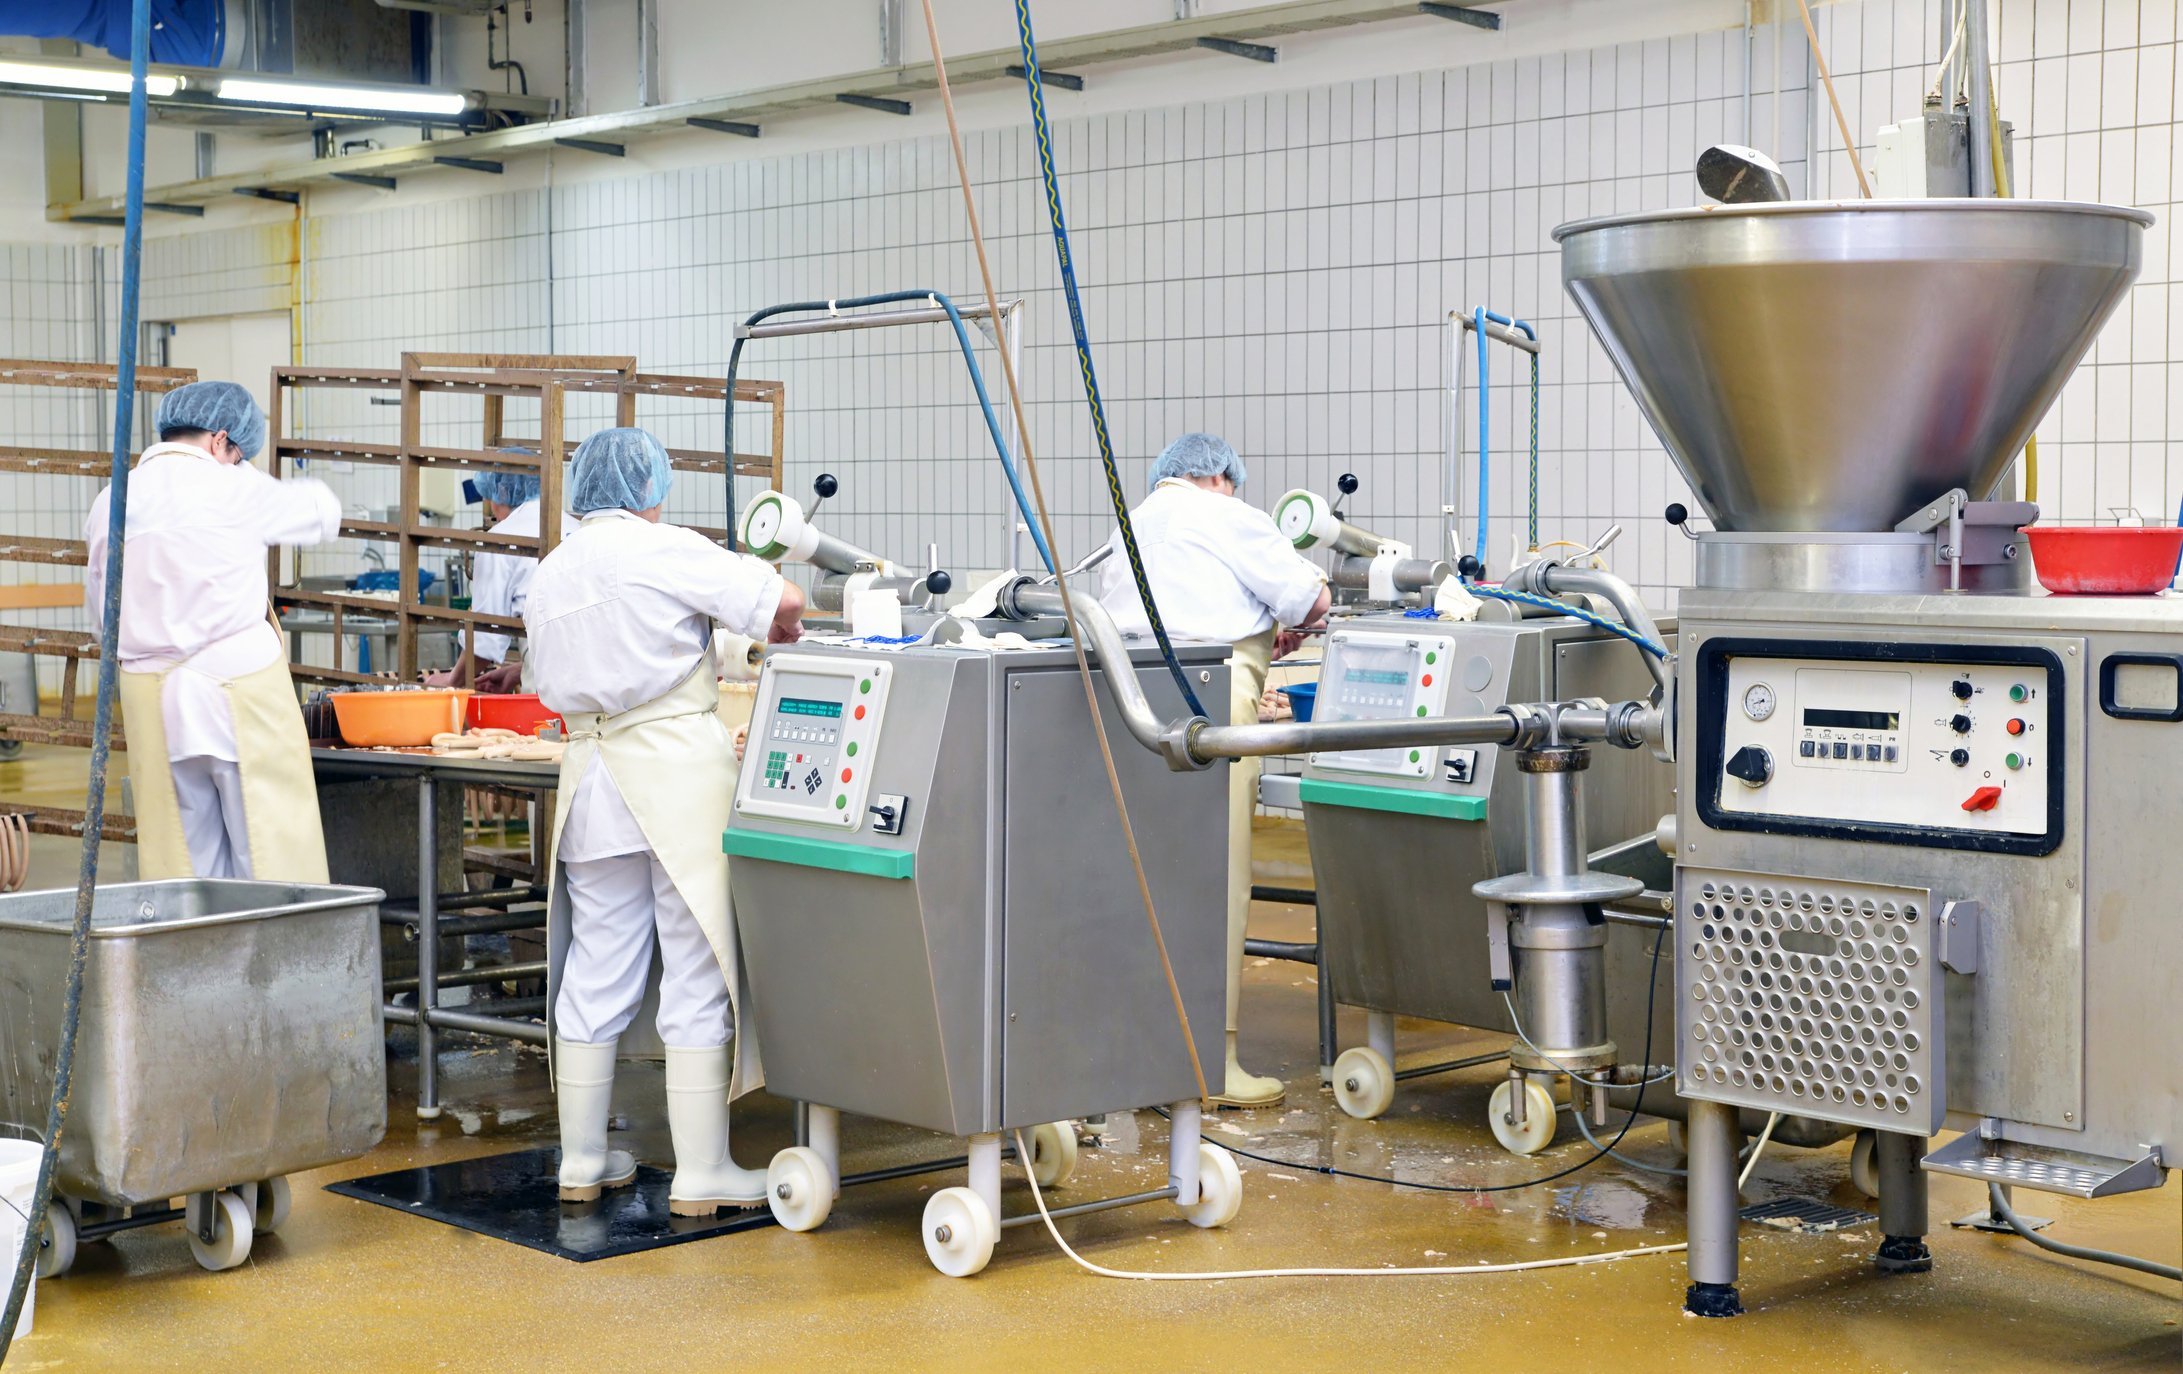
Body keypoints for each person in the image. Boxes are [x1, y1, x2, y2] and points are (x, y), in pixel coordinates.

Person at [524, 426, 806, 1212]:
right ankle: (703, 1171)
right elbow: (781, 600)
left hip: (590, 781)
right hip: (674, 778)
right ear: (649, 488)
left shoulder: (550, 572)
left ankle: (580, 1161)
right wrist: (780, 625)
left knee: (597, 963)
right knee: (694, 967)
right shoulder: (662, 547)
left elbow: (550, 677)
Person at [1095, 432, 1330, 1108]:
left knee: (1145, 879)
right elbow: (1310, 602)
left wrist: (1260, 620)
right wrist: (1296, 618)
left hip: (1133, 707)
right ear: (1220, 476)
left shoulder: (1130, 524)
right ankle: (1209, 1063)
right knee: (1214, 874)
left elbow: (1181, 605)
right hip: (1210, 702)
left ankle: (1136, 1052)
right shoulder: (1227, 514)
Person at [85, 380, 340, 882]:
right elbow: (321, 512)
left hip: (150, 695)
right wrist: (252, 480)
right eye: (238, 452)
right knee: (271, 853)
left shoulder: (111, 499)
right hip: (239, 687)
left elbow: (102, 617)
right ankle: (281, 958)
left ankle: (197, 958)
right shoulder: (233, 485)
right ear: (220, 440)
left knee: (184, 865)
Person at [425, 458, 578, 692]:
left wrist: (452, 681)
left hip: (548, 689)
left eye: (488, 496)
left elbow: (486, 637)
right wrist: (519, 668)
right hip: (598, 678)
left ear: (501, 493)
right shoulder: (575, 528)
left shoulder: (501, 538)